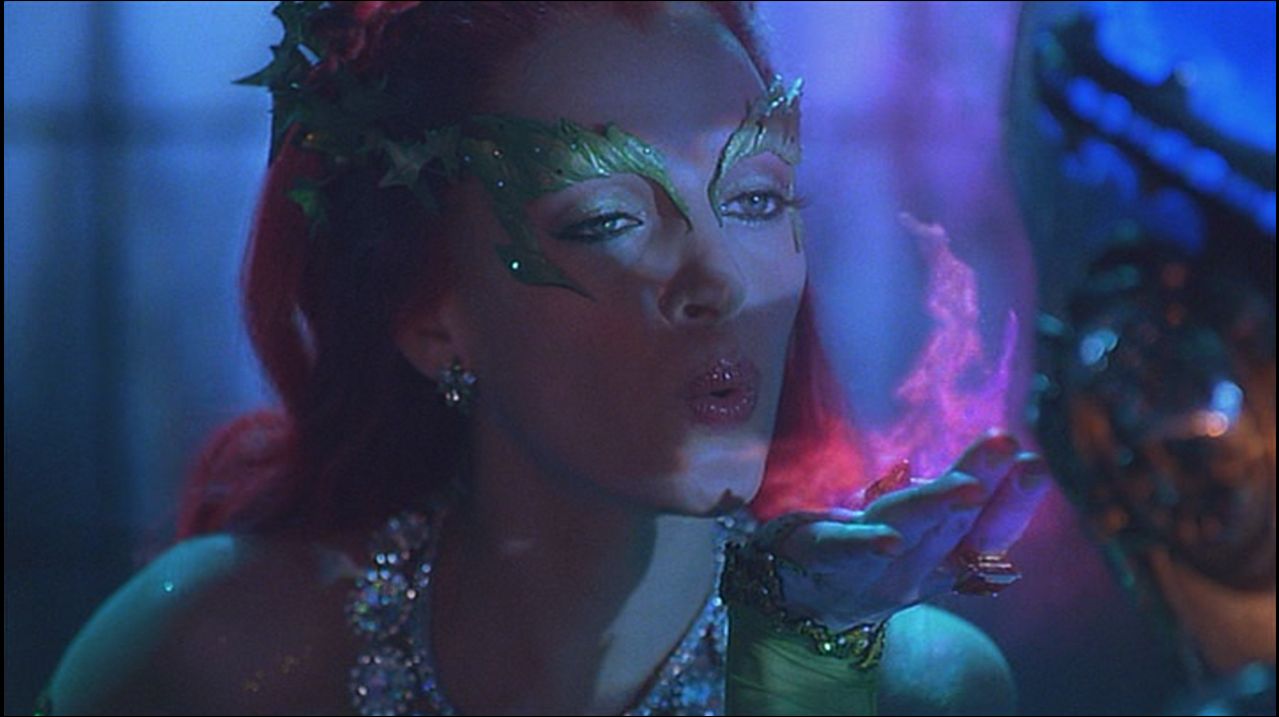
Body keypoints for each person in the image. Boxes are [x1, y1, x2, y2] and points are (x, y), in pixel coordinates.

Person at [44, 2, 1048, 714]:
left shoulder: (909, 683)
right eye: (608, 218)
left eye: (754, 199)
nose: (721, 281)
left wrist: (806, 669)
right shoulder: (215, 653)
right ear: (432, 318)